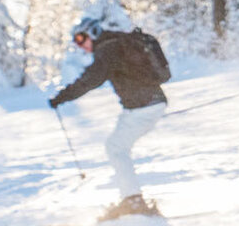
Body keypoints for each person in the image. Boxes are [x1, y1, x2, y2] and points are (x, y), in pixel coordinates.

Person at [50, 18, 169, 219]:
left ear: (93, 33)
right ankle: (130, 198)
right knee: (116, 147)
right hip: (145, 104)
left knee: (116, 148)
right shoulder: (117, 44)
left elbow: (90, 79)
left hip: (143, 105)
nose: (80, 44)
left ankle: (133, 200)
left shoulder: (108, 49)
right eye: (76, 41)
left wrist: (63, 96)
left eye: (81, 38)